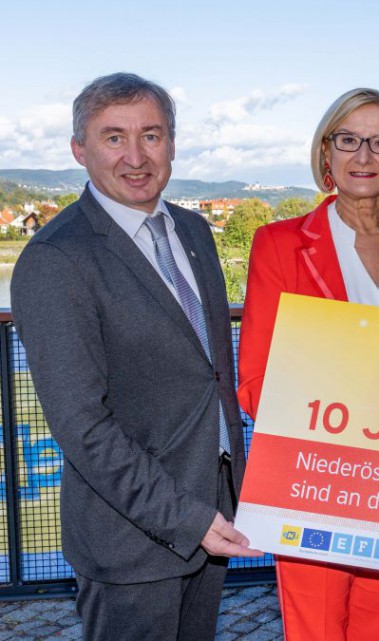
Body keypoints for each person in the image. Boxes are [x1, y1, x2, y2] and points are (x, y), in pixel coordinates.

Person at [10, 72, 257, 640]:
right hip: (132, 542)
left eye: (152, 134)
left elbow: (209, 375)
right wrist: (186, 519)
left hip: (212, 510)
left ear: (172, 142)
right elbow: (83, 428)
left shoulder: (194, 231)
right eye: (114, 137)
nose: (137, 156)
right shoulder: (56, 260)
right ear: (80, 150)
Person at [237, 88, 379, 640]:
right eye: (349, 140)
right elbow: (254, 385)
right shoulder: (279, 244)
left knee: (377, 627)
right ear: (326, 153)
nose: (364, 156)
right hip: (313, 478)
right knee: (315, 630)